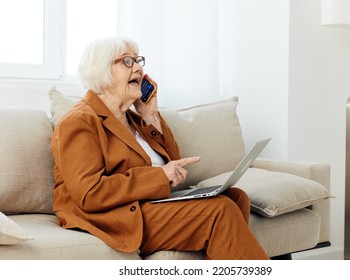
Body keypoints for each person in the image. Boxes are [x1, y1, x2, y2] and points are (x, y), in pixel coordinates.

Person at [51, 36, 270, 260]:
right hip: (115, 215)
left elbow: (173, 165)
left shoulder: (134, 119)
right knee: (219, 210)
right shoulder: (79, 121)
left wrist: (150, 114)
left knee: (236, 197)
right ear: (102, 71)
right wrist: (158, 176)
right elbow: (89, 194)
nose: (138, 67)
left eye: (138, 60)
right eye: (127, 61)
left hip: (147, 204)